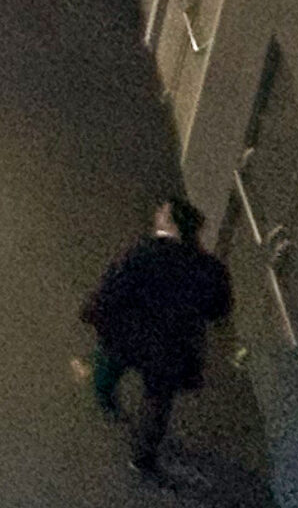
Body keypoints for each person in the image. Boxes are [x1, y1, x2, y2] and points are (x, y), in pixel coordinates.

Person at [78, 198, 233, 479]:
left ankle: (107, 401)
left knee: (110, 364)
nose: (157, 212)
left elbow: (114, 287)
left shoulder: (143, 252)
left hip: (130, 333)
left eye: (162, 210)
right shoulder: (209, 268)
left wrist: (92, 311)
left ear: (169, 222)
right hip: (172, 346)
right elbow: (219, 308)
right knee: (157, 401)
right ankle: (143, 457)